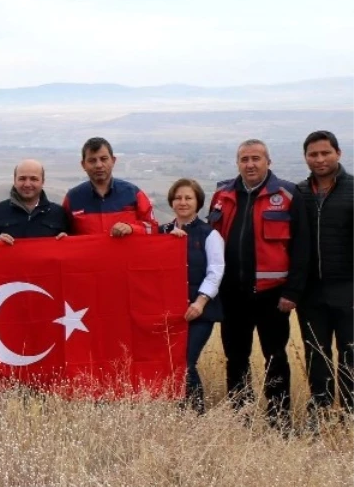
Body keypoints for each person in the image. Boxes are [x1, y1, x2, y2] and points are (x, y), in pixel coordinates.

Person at [208, 139, 298, 426]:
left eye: (256, 158)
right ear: (237, 163)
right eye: (244, 159)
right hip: (232, 294)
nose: (250, 164)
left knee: (275, 358)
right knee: (235, 357)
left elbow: (301, 248)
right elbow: (210, 240)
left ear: (268, 162)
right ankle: (240, 417)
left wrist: (293, 290)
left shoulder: (287, 195)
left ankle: (279, 421)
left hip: (272, 296)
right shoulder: (222, 194)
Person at [288, 131, 354, 423]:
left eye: (325, 153)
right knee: (316, 353)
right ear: (306, 158)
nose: (319, 159)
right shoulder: (299, 193)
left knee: (351, 355)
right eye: (313, 154)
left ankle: (350, 417)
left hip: (349, 288)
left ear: (338, 153)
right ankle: (321, 414)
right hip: (311, 292)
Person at [160, 179, 224, 412]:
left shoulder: (210, 234)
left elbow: (215, 271)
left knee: (185, 362)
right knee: (167, 362)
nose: (182, 202)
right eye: (178, 197)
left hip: (198, 311)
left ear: (198, 202)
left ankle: (196, 412)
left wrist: (200, 302)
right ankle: (175, 409)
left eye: (188, 197)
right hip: (168, 311)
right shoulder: (162, 232)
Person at [63, 137, 156, 236]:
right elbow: (62, 233)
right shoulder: (72, 198)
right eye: (92, 160)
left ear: (113, 161)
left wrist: (131, 228)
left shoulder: (134, 194)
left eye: (104, 159)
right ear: (83, 165)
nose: (99, 165)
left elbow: (153, 229)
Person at [0, 159, 69, 242]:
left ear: (43, 182)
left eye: (34, 179)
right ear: (15, 181)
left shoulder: (58, 213)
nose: (27, 184)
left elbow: (73, 248)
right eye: (22, 179)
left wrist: (66, 241)